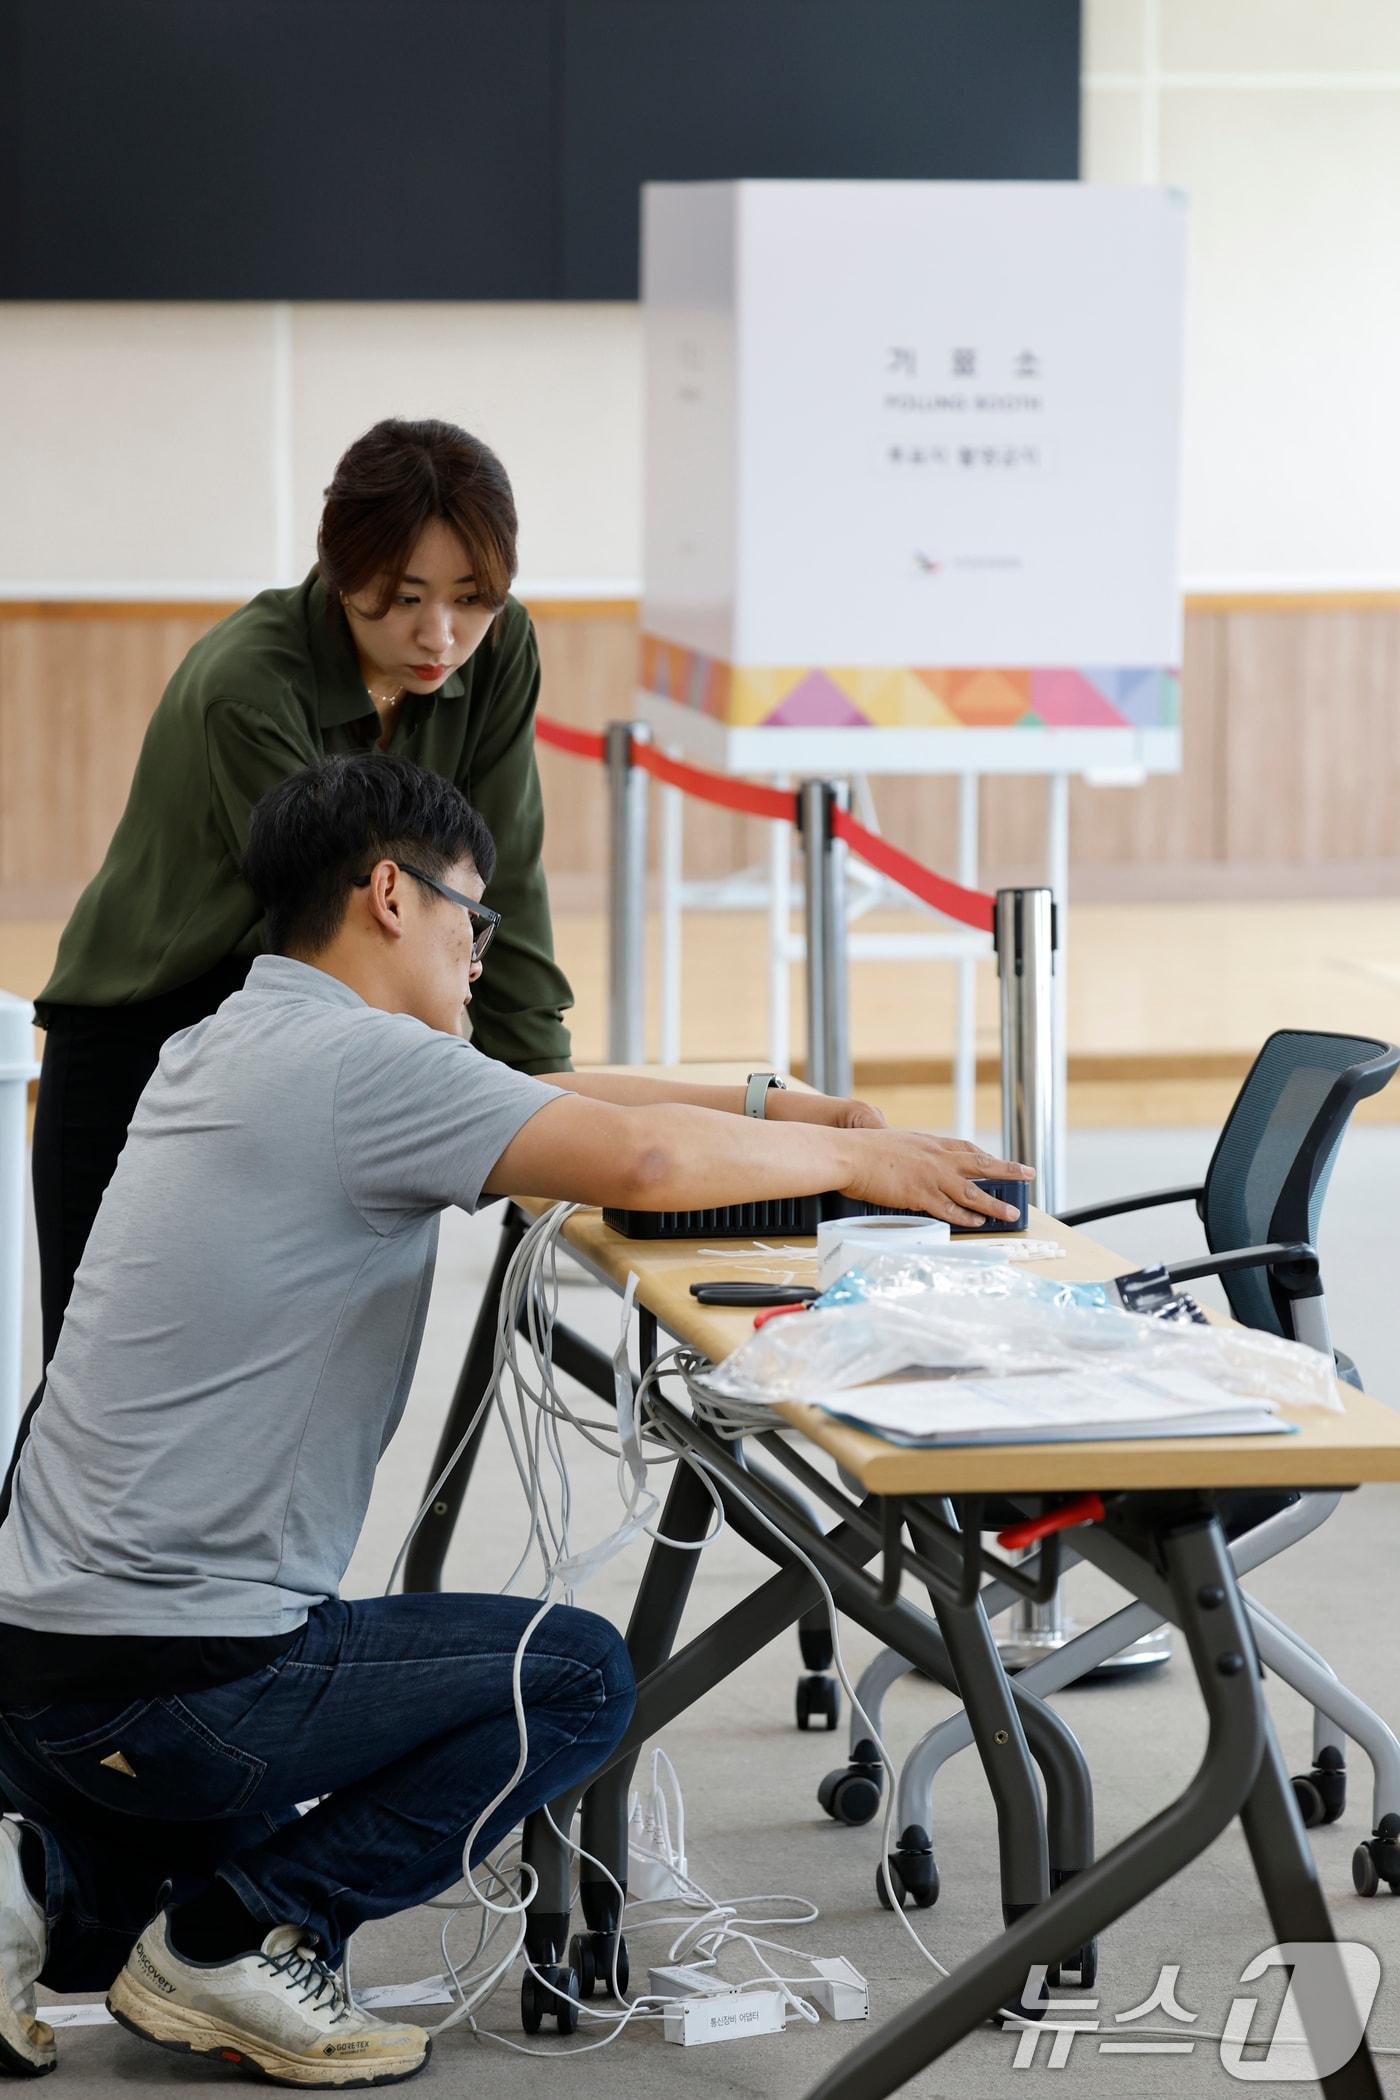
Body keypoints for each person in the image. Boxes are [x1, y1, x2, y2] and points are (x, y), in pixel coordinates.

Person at [0, 753, 1029, 2087]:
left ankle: (42, 1880)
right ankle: (235, 1940)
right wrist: (861, 1158)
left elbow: (550, 1088)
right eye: (469, 916)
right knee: (578, 1676)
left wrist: (779, 1109)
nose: (481, 953)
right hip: (183, 1680)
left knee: (203, 1831)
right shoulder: (363, 1068)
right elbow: (638, 1158)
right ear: (389, 895)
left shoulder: (235, 1037)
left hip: (46, 1664)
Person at [27, 415, 574, 1385]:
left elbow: (506, 878)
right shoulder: (249, 682)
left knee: (269, 1375)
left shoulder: (501, 649)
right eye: (404, 597)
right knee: (105, 1377)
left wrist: (542, 1092)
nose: (440, 635)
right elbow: (355, 927)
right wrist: (502, 1106)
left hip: (319, 1027)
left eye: (470, 598)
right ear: (339, 568)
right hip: (152, 1028)